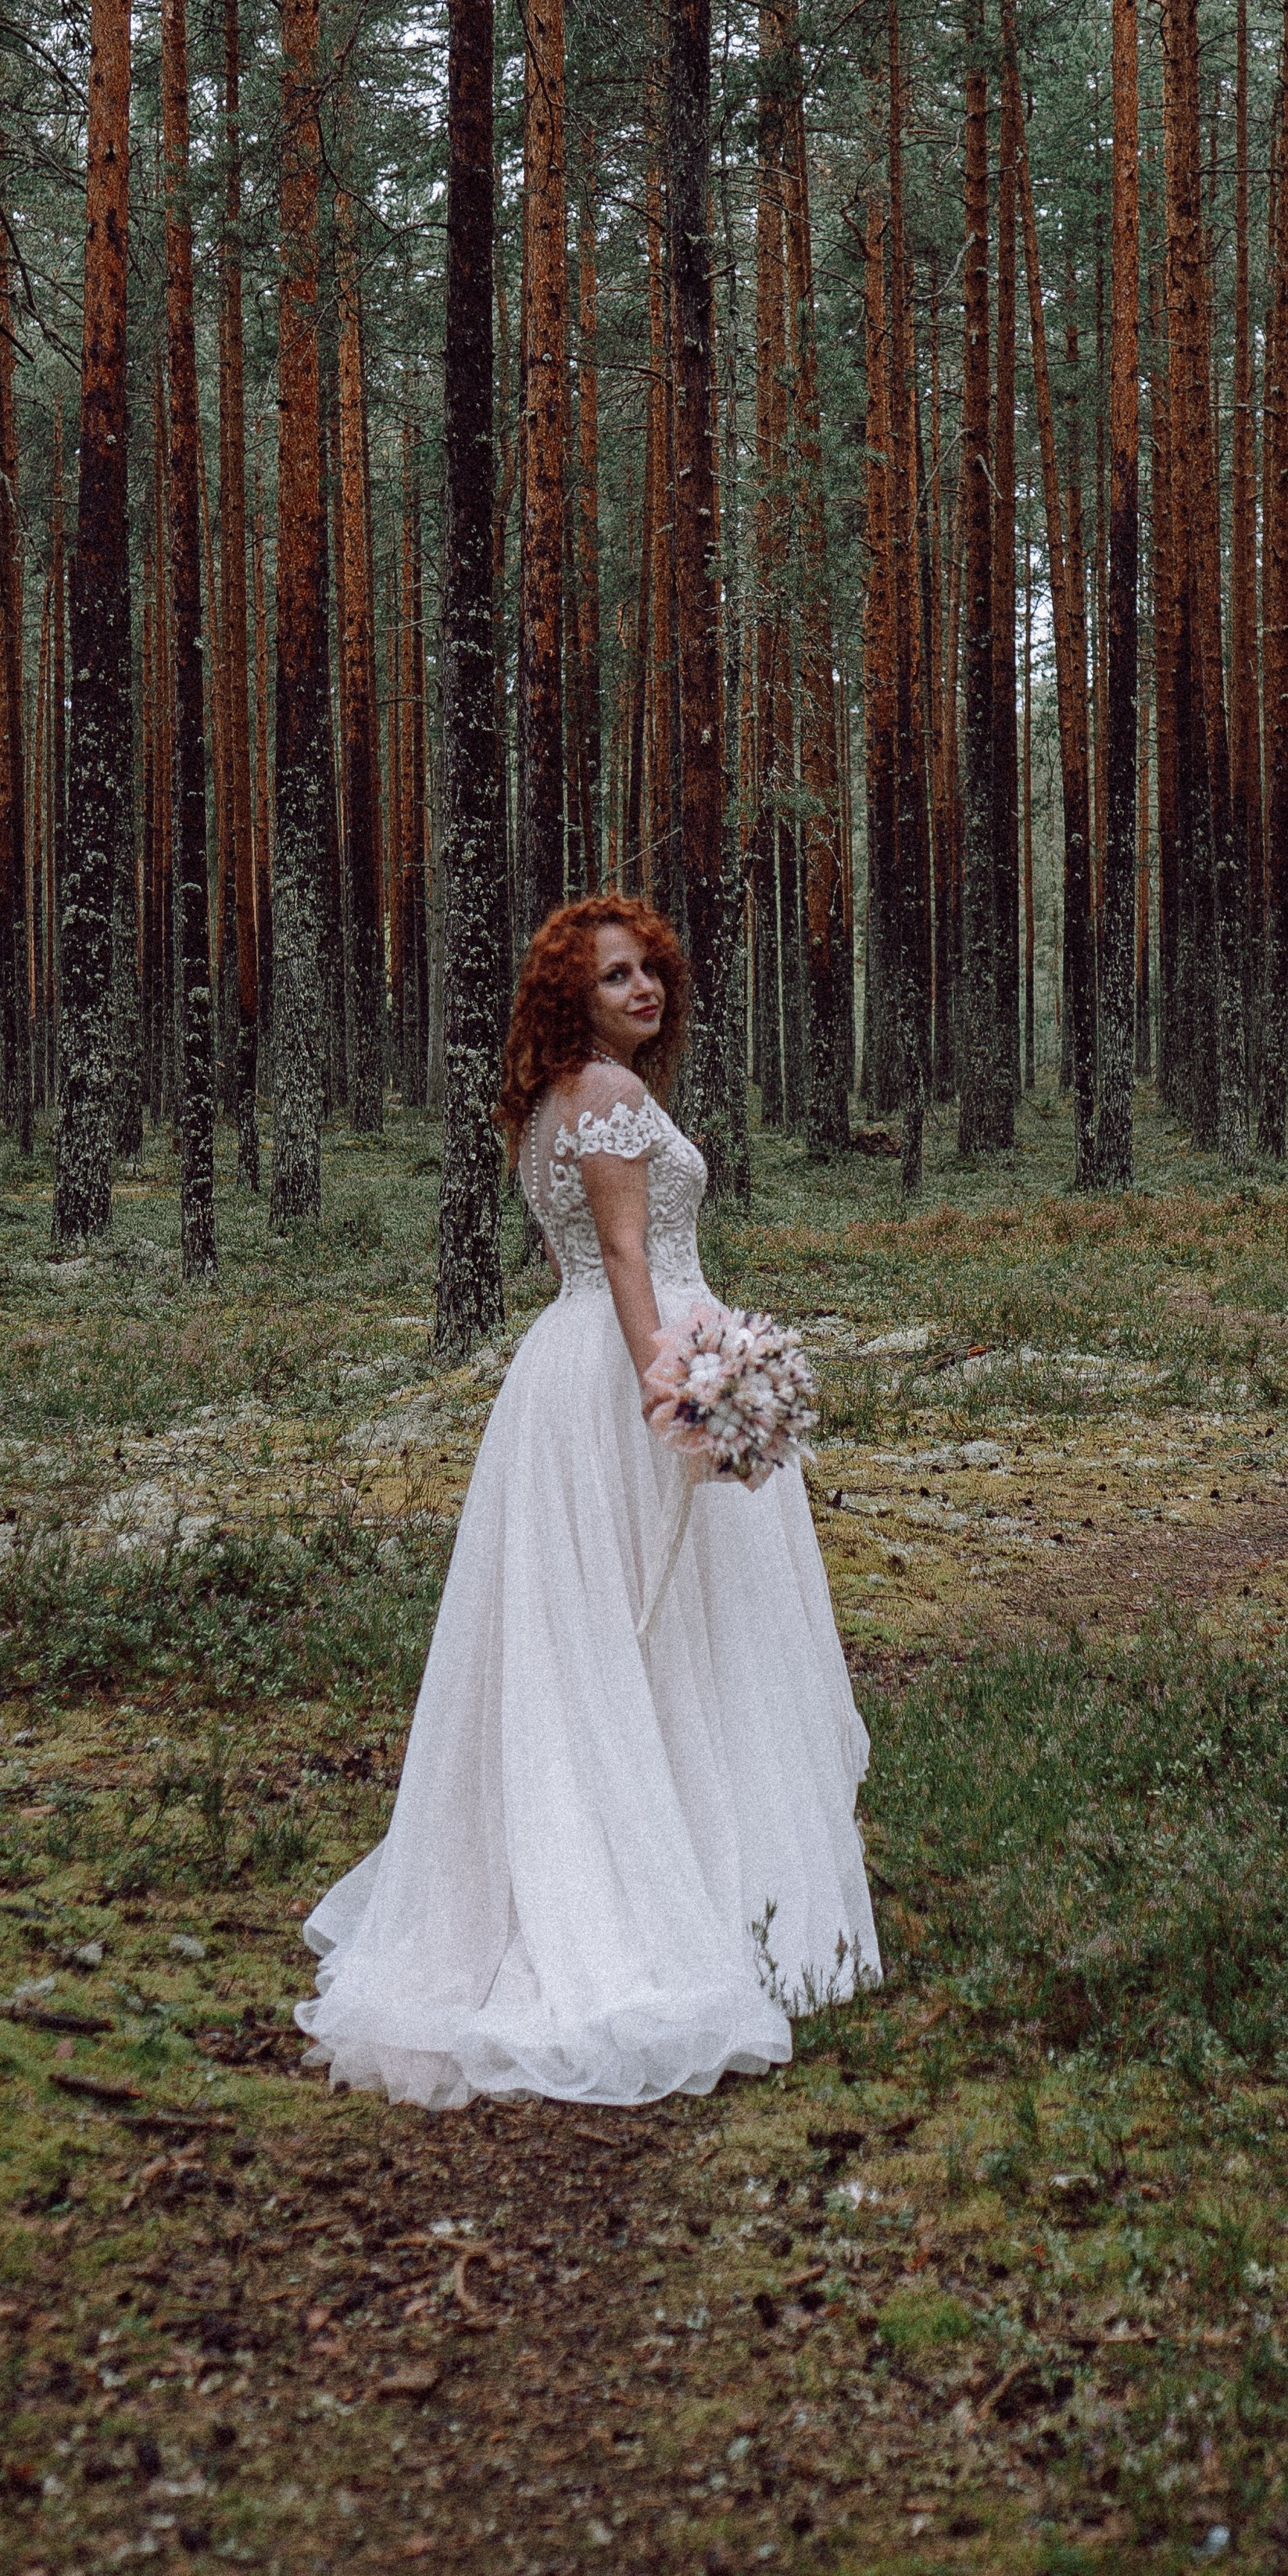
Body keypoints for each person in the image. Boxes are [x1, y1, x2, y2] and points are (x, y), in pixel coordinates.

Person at [296, 895, 880, 2109]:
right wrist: (677, 1393)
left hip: (579, 1374)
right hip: (629, 1363)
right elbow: (624, 1256)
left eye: (649, 972)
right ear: (575, 997)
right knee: (654, 1631)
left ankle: (672, 1861)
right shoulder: (607, 1101)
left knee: (622, 1640)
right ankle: (685, 1894)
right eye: (615, 978)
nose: (642, 991)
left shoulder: (562, 1098)